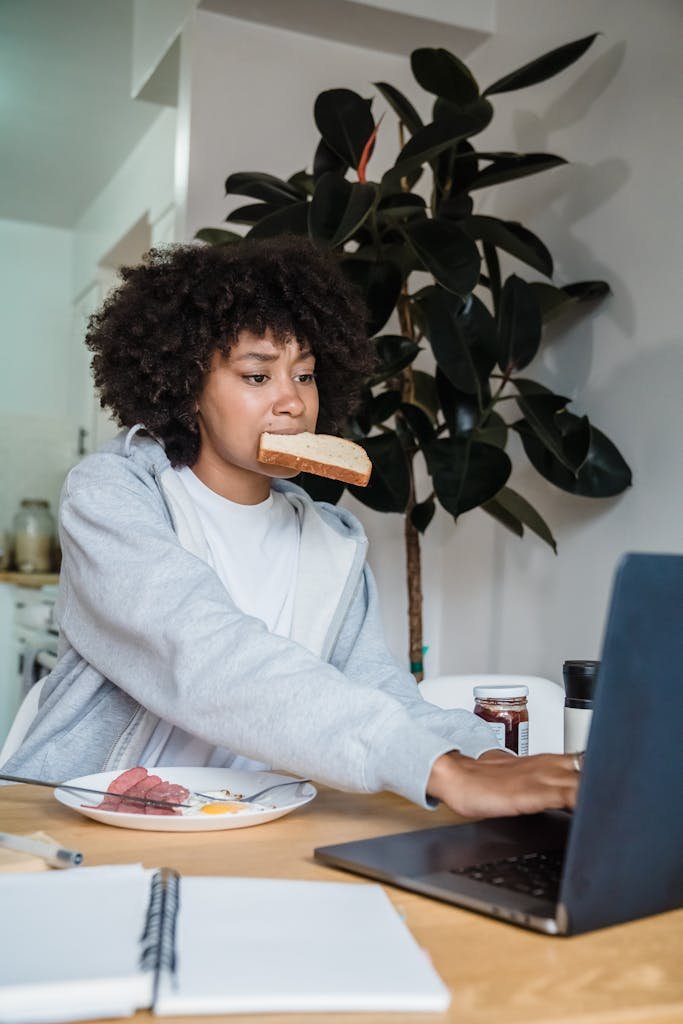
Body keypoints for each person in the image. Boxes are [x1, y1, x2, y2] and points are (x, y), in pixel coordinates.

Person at [5, 237, 580, 817]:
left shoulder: (330, 539)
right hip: (81, 817)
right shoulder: (113, 495)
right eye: (257, 376)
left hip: (244, 819)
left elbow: (379, 691)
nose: (291, 402)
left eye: (304, 376)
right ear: (187, 389)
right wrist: (433, 768)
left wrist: (480, 758)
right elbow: (204, 655)